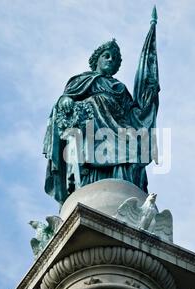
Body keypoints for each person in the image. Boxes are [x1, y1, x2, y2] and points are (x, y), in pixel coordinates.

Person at [44, 21, 159, 205]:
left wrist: (149, 94)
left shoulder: (120, 88)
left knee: (133, 148)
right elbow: (65, 99)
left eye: (114, 59)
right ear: (96, 59)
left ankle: (124, 192)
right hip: (93, 133)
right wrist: (64, 100)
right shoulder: (83, 80)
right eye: (106, 56)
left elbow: (133, 114)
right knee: (93, 154)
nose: (110, 60)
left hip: (120, 131)